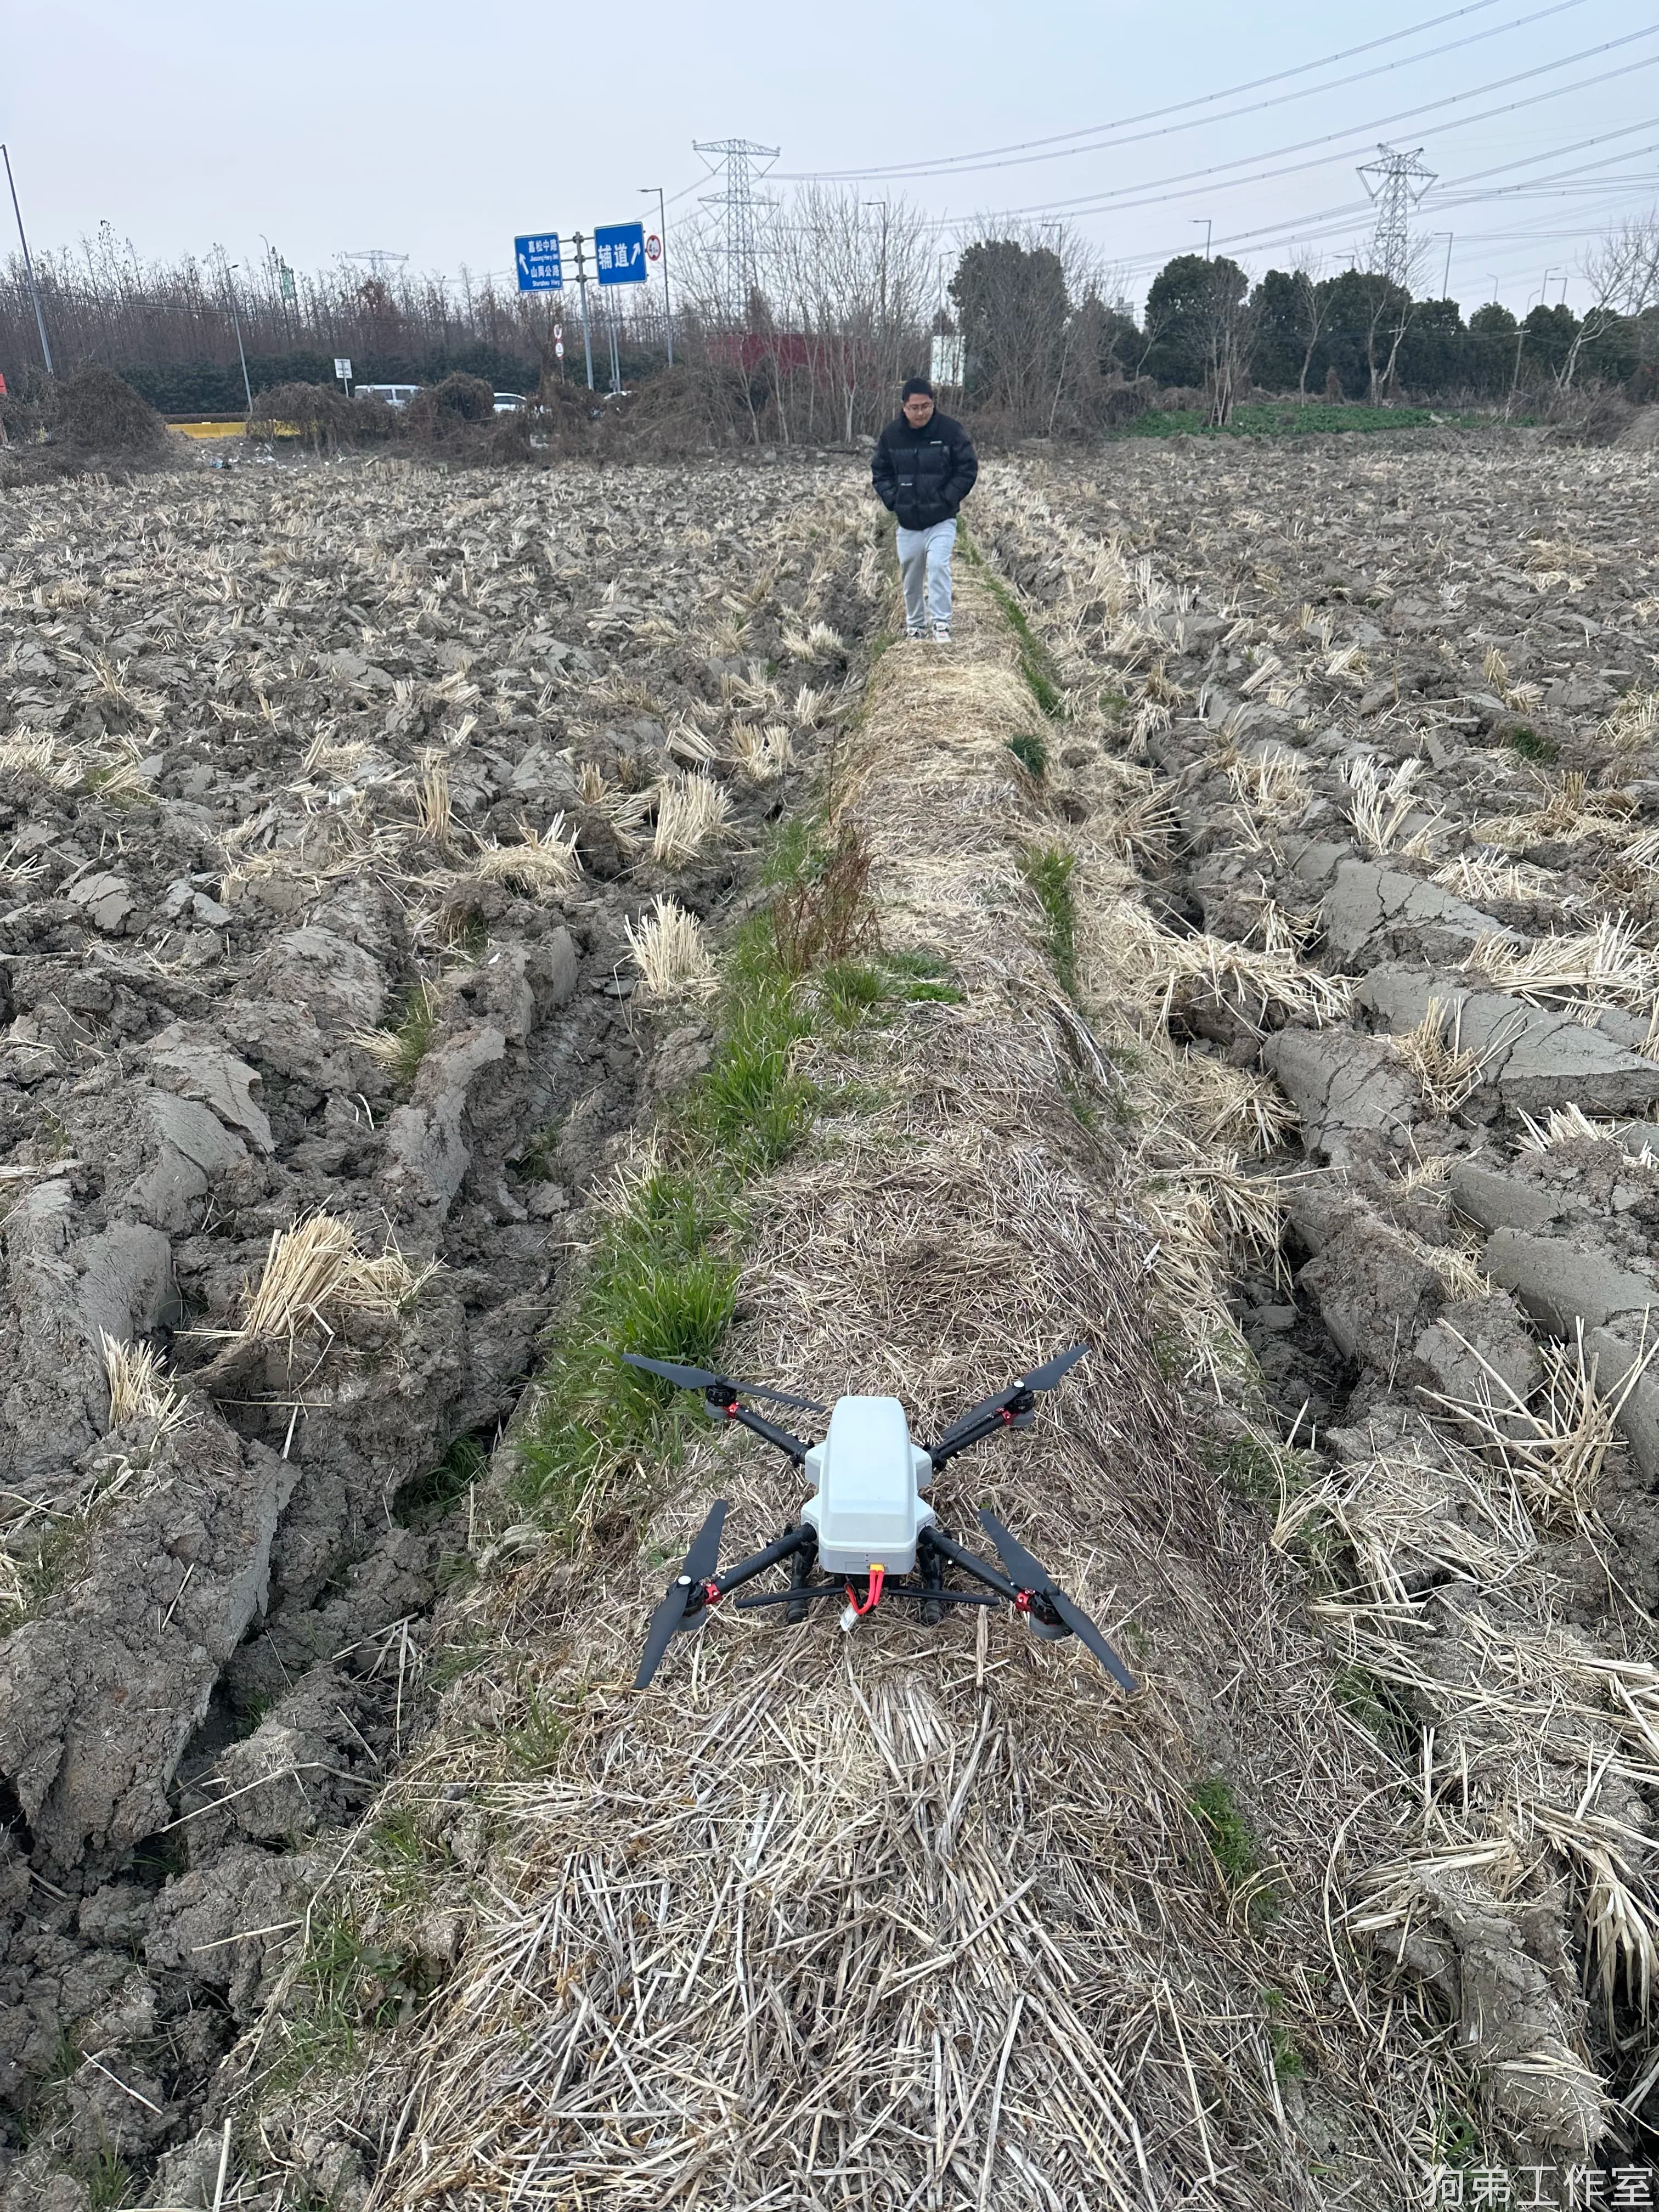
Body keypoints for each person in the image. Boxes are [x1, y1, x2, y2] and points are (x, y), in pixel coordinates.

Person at [871, 376, 978, 644]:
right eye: (915, 407)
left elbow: (967, 469)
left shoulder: (951, 432)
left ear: (933, 404)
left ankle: (942, 624)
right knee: (911, 572)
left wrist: (947, 499)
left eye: (927, 406)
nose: (921, 413)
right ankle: (916, 626)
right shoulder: (892, 436)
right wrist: (895, 501)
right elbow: (880, 472)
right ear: (904, 407)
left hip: (942, 519)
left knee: (939, 566)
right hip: (908, 522)